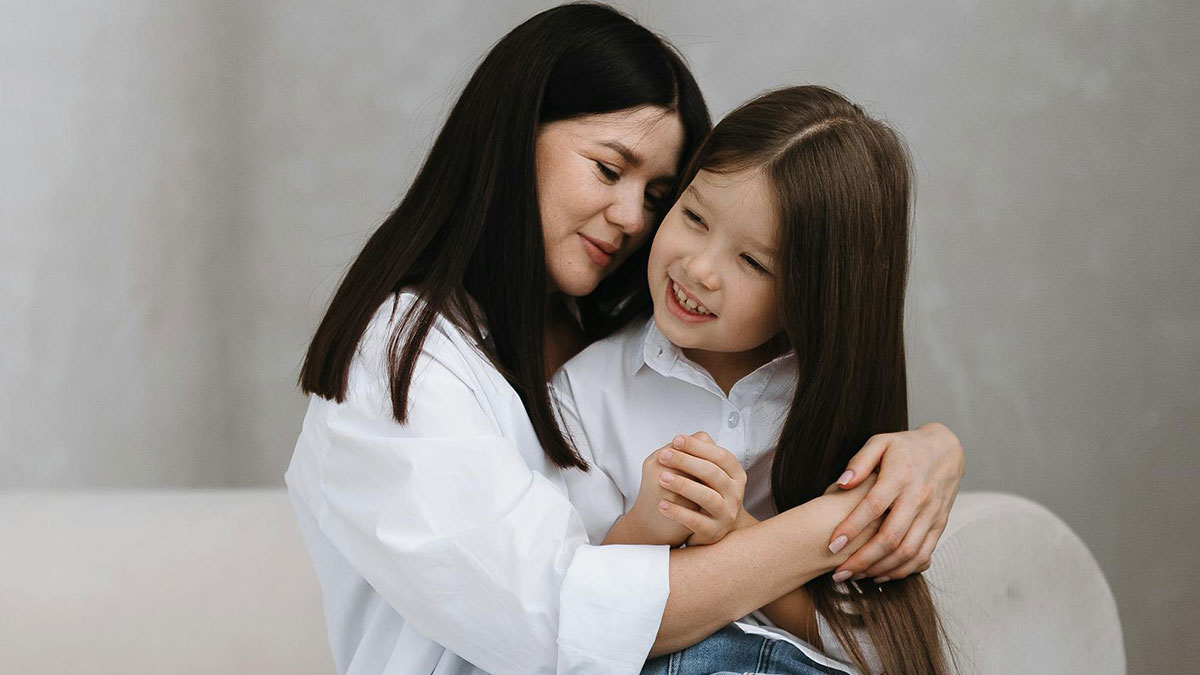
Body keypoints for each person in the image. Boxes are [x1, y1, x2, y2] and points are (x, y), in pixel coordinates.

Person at [285, 4, 963, 674]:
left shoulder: (627, 331)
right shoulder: (401, 358)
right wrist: (844, 520)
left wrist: (930, 450)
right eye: (609, 170)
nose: (631, 218)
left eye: (658, 194)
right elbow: (563, 624)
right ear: (514, 134)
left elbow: (888, 642)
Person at [553, 85, 960, 674]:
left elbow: (882, 651)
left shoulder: (825, 400)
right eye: (692, 216)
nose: (699, 268)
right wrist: (648, 523)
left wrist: (733, 529)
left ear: (814, 296)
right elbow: (576, 622)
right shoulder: (586, 394)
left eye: (753, 262)